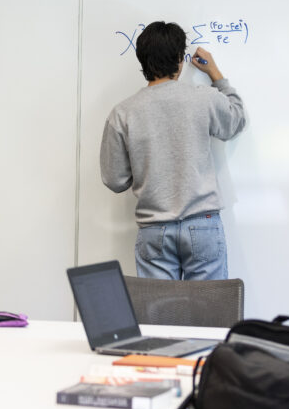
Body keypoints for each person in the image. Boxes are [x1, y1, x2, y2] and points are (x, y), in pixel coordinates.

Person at [100, 21, 246, 281]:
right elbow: (236, 120)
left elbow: (115, 180)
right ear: (180, 60)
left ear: (142, 61)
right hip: (203, 224)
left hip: (154, 230)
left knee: (158, 317)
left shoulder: (122, 113)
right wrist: (216, 75)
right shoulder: (203, 98)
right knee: (210, 315)